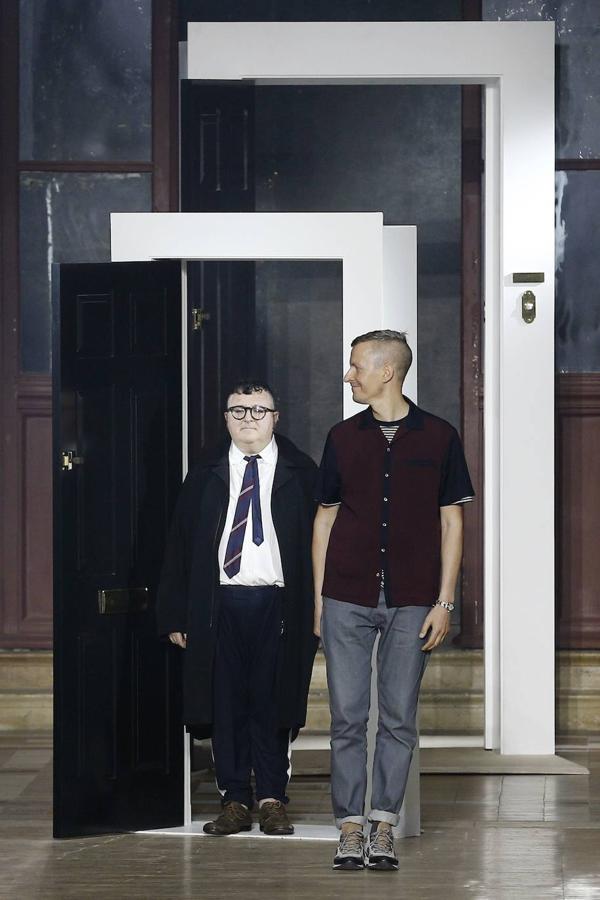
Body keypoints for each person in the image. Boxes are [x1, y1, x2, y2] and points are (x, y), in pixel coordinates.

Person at [312, 330, 474, 871]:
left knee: (400, 717)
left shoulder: (440, 437)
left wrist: (444, 601)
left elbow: (452, 522)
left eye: (356, 366)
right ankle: (349, 829)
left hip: (413, 599)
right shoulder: (341, 437)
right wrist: (319, 600)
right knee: (347, 717)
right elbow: (325, 517)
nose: (348, 374)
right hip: (347, 595)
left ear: (387, 372)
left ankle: (383, 825)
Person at [157, 380, 318, 837]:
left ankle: (271, 798)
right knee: (224, 702)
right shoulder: (205, 473)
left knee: (272, 701)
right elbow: (179, 545)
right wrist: (174, 614)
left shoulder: (301, 473)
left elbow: (323, 545)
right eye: (239, 411)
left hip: (280, 603)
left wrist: (321, 609)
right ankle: (233, 798)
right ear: (226, 418)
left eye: (258, 411)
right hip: (218, 604)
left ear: (276, 417)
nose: (249, 419)